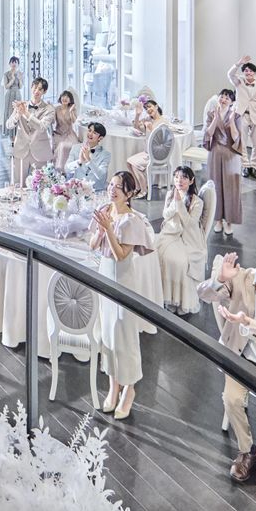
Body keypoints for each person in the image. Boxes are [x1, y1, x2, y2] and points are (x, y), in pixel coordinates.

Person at [197, 239, 256, 494]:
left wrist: (248, 323)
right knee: (231, 399)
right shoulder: (241, 276)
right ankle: (247, 451)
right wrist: (220, 279)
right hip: (239, 357)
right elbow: (203, 294)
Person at [89, 171, 156, 421]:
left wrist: (108, 229)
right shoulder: (105, 210)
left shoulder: (132, 221)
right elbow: (92, 245)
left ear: (129, 193)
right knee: (108, 334)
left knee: (125, 336)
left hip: (123, 282)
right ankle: (113, 385)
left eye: (118, 187)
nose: (112, 189)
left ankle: (129, 388)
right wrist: (100, 230)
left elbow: (120, 255)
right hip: (104, 278)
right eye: (111, 184)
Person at [156, 166, 206, 315]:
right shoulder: (171, 194)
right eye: (177, 177)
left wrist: (179, 204)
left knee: (182, 263)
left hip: (188, 236)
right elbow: (166, 215)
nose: (179, 180)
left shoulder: (197, 202)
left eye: (184, 177)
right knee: (161, 255)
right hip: (170, 232)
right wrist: (175, 202)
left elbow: (189, 224)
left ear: (191, 180)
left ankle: (181, 299)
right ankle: (166, 296)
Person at [204, 88, 243, 235]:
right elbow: (208, 133)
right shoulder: (211, 113)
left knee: (231, 188)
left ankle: (229, 221)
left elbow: (236, 137)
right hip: (215, 154)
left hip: (231, 156)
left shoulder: (236, 116)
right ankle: (218, 220)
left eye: (227, 98)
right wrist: (215, 119)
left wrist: (231, 120)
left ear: (232, 102)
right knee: (216, 186)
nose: (224, 100)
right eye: (222, 97)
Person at [6, 77, 55, 185]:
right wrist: (17, 115)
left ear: (44, 92)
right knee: (18, 184)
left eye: (40, 89)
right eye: (35, 87)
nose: (36, 91)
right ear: (31, 87)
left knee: (39, 186)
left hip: (40, 152)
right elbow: (8, 125)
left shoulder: (49, 109)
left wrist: (26, 113)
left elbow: (42, 127)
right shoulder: (21, 105)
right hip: (21, 149)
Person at [228, 55, 256, 179]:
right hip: (242, 115)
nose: (248, 73)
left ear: (254, 73)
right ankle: (245, 165)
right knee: (243, 143)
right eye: (245, 71)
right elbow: (230, 74)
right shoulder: (239, 82)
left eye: (250, 71)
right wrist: (239, 63)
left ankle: (254, 167)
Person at [126, 99, 167, 198]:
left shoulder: (163, 122)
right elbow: (136, 127)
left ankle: (144, 190)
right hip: (148, 152)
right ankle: (138, 187)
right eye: (146, 108)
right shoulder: (149, 120)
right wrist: (137, 115)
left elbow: (162, 141)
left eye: (149, 106)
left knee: (135, 165)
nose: (148, 109)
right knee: (128, 162)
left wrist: (151, 129)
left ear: (156, 106)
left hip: (157, 154)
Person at [65, 121, 111, 191]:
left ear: (100, 138)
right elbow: (67, 169)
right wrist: (80, 161)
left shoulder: (105, 154)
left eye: (94, 133)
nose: (90, 134)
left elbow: (101, 176)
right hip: (77, 189)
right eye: (89, 130)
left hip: (96, 190)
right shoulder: (76, 148)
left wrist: (89, 160)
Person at [52, 89, 79, 171]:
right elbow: (53, 121)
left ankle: (67, 169)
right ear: (60, 98)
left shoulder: (72, 109)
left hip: (69, 133)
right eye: (63, 96)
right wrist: (50, 110)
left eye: (67, 97)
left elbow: (74, 121)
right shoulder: (56, 109)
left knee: (71, 146)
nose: (65, 98)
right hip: (58, 133)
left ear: (70, 100)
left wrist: (71, 111)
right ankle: (58, 168)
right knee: (60, 146)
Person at [2, 56, 23, 141]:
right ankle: (11, 135)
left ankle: (17, 133)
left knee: (18, 113)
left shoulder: (20, 73)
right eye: (12, 62)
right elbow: (6, 87)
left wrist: (20, 79)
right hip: (9, 94)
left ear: (18, 64)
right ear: (9, 64)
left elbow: (20, 87)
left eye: (16, 62)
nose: (14, 64)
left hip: (17, 94)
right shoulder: (6, 74)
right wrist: (13, 79)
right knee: (9, 113)